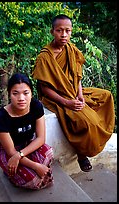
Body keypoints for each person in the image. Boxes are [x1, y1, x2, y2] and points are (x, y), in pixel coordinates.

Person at [32, 14, 115, 172]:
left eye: (67, 31)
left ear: (71, 32)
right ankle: (82, 153)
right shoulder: (45, 57)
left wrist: (80, 95)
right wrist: (67, 103)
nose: (64, 35)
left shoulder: (71, 49)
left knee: (106, 96)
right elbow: (45, 90)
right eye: (59, 30)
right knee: (86, 122)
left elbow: (77, 76)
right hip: (56, 98)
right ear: (52, 31)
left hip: (73, 91)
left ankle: (101, 135)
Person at [0, 73, 54, 190]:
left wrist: (20, 155)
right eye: (15, 93)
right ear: (9, 94)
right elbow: (11, 151)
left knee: (49, 152)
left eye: (26, 93)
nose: (21, 98)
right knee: (33, 180)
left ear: (31, 93)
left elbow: (41, 139)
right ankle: (10, 173)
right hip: (7, 151)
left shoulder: (36, 106)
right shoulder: (1, 117)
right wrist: (36, 166)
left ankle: (24, 169)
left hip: (26, 145)